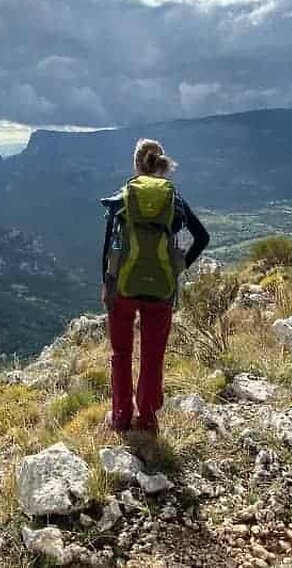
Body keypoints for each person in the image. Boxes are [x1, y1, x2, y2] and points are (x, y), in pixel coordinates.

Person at [100, 139, 209, 434]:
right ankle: (147, 418)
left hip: (124, 285)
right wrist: (178, 267)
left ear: (136, 164)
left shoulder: (124, 197)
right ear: (159, 163)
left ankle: (121, 416)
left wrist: (107, 285)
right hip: (161, 288)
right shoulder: (174, 201)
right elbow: (202, 237)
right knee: (153, 354)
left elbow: (110, 244)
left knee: (121, 352)